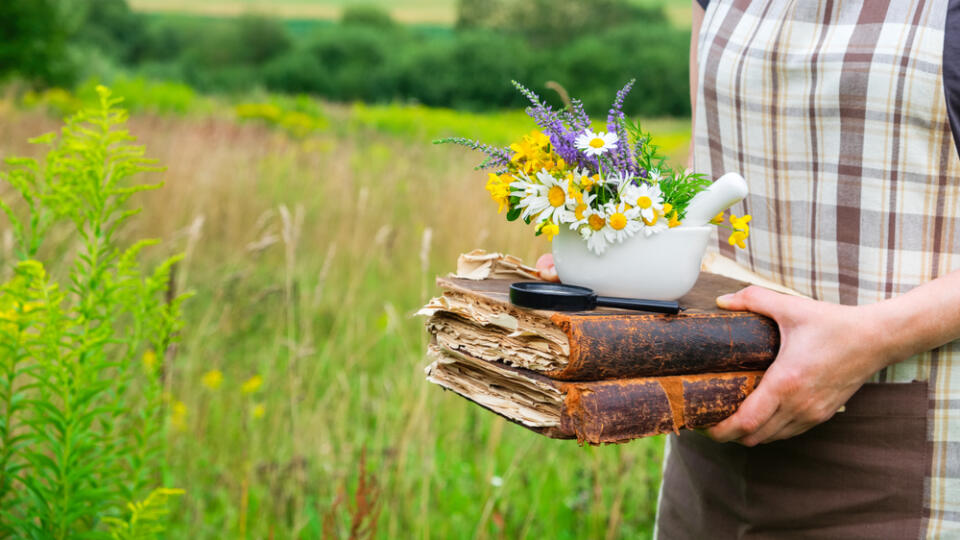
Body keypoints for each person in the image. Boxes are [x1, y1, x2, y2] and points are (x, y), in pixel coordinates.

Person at [537, 0, 960, 536]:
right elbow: (709, 158)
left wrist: (870, 338)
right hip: (711, 455)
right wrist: (626, 253)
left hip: (904, 458)